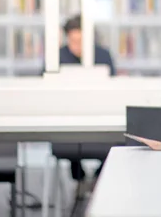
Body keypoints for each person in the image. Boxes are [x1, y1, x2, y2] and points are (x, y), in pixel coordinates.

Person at [43, 14, 116, 196]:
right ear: (67, 37)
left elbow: (113, 88)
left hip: (100, 118)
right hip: (65, 119)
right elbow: (44, 86)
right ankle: (80, 179)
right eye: (73, 40)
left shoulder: (102, 55)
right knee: (67, 143)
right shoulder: (56, 57)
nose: (77, 46)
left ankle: (96, 179)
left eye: (82, 40)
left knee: (115, 143)